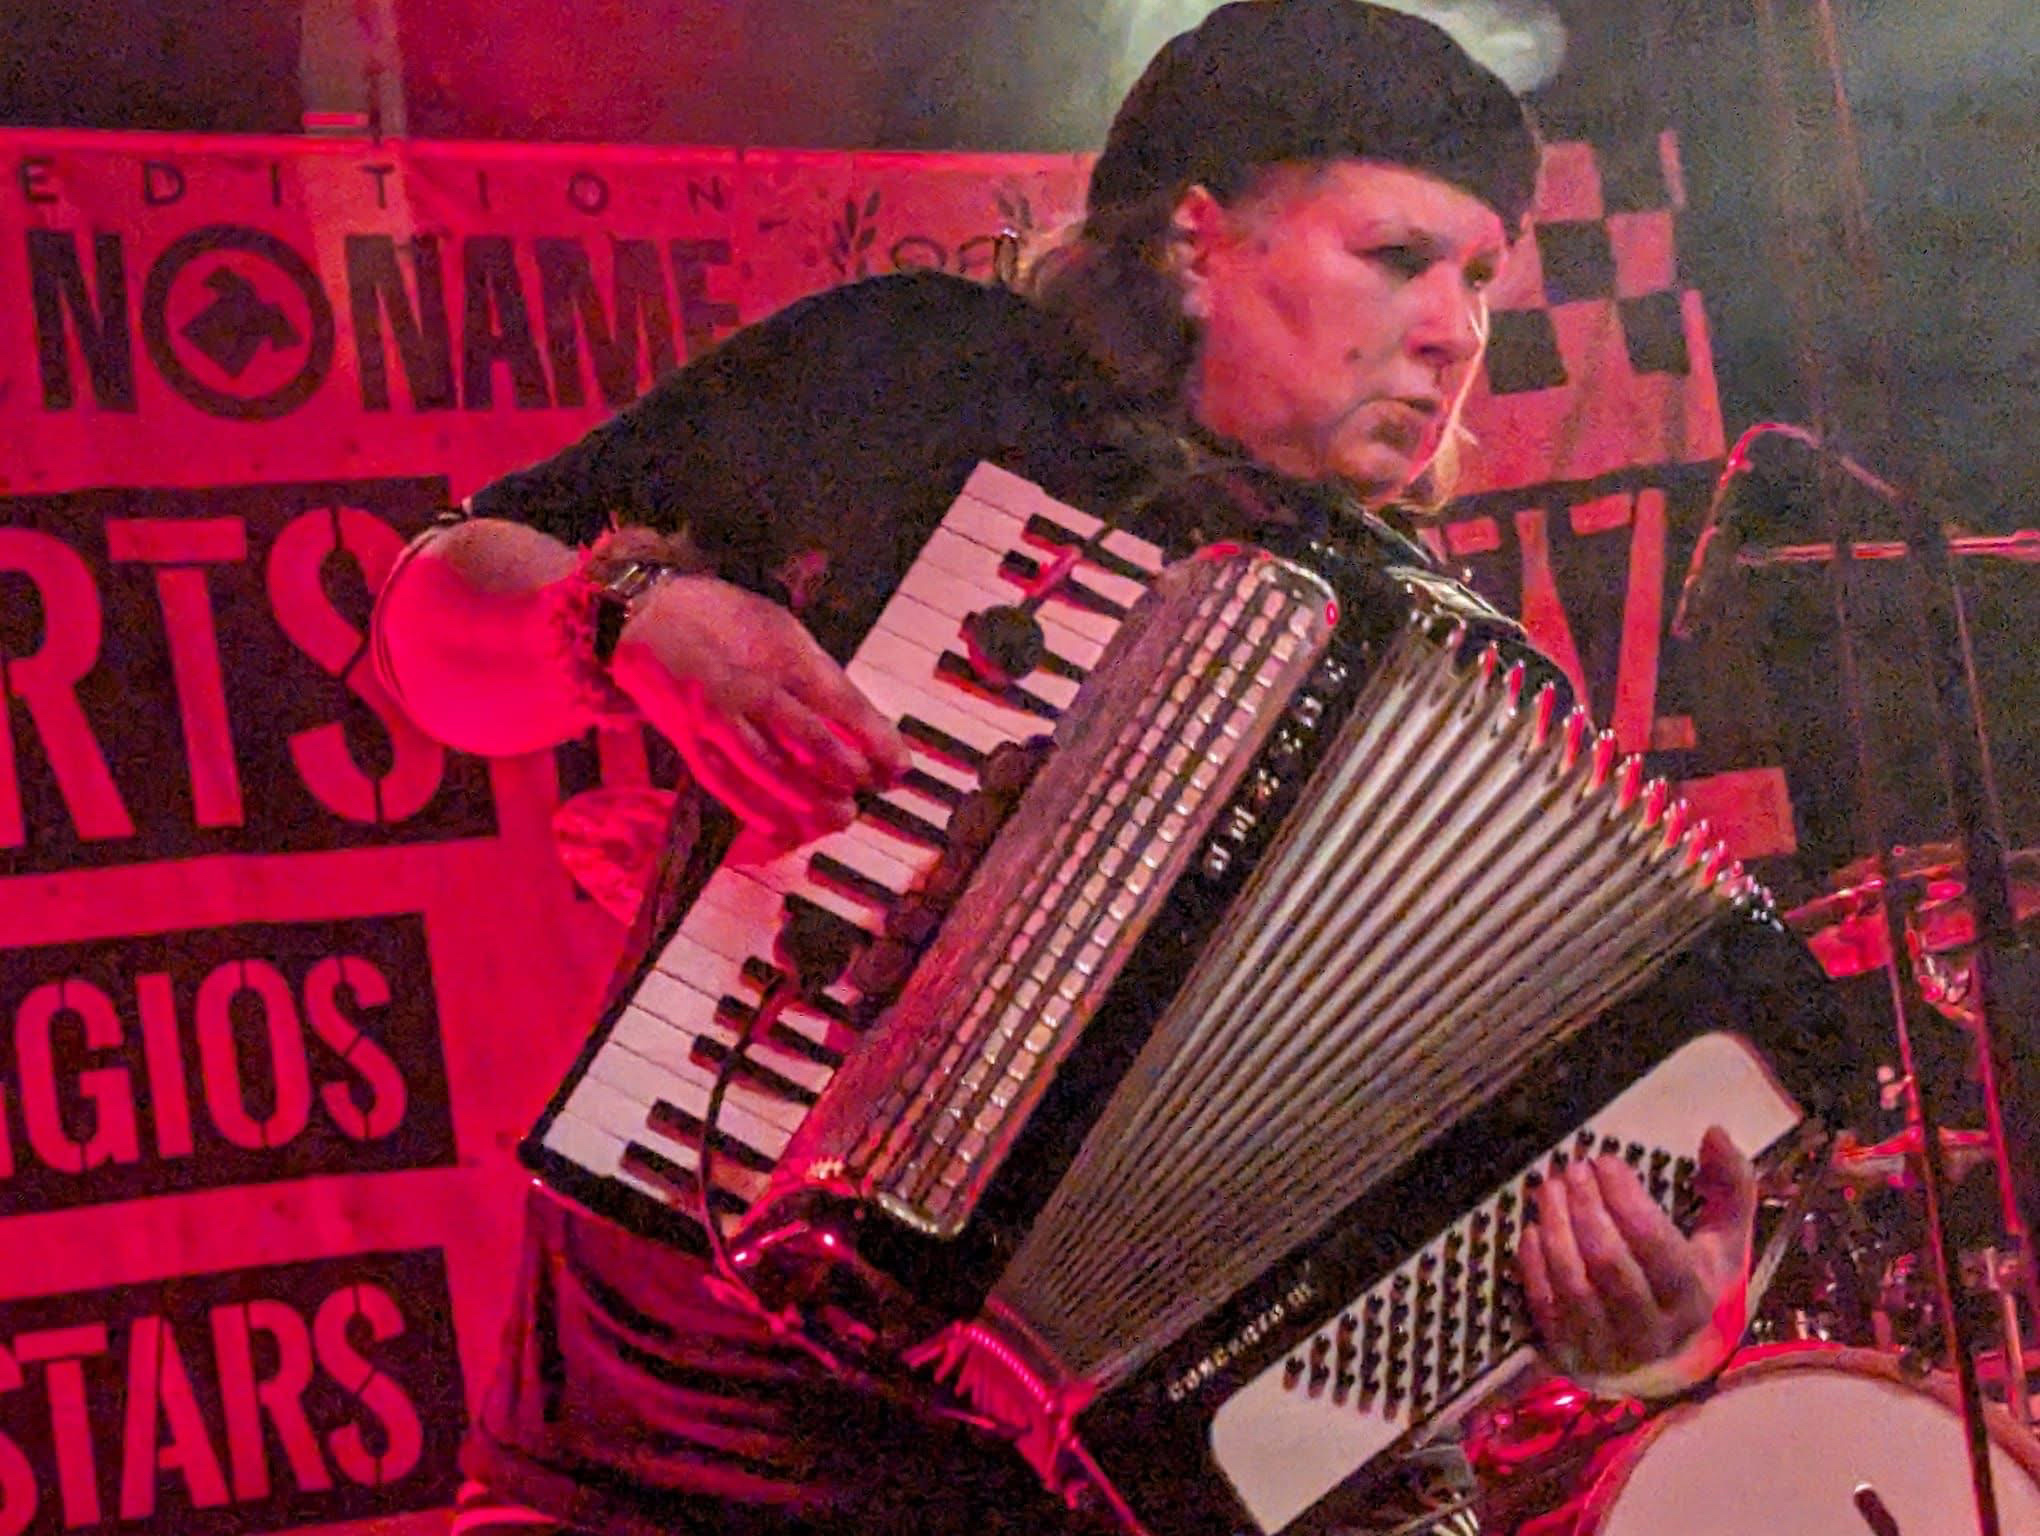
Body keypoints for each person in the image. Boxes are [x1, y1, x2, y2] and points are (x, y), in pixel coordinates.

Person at [372, 4, 1763, 1532]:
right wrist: (625, 617)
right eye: (1396, 257)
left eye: (1482, 276)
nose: (1455, 329)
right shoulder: (933, 374)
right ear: (1194, 243)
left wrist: (1651, 1336)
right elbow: (428, 626)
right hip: (680, 1450)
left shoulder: (1481, 696)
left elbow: (1466, 1263)